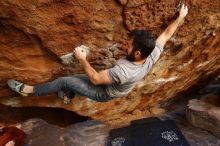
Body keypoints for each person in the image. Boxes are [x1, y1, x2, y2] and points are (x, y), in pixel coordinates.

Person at [8, 4, 188, 104]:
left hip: (103, 92)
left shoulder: (124, 71)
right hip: (112, 84)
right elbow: (166, 34)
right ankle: (67, 95)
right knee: (74, 81)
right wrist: (180, 17)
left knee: (65, 81)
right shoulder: (152, 54)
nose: (125, 44)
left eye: (129, 45)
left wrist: (82, 59)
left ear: (138, 53)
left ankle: (29, 91)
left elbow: (94, 79)